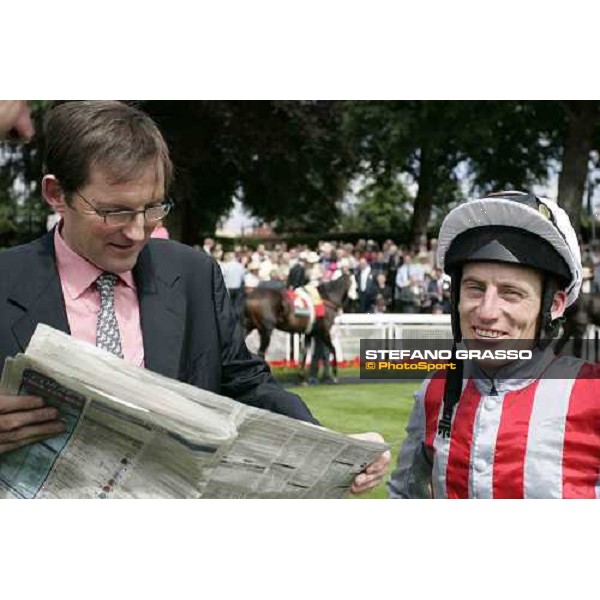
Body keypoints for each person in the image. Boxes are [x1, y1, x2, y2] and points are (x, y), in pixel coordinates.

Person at [0, 101, 389, 494]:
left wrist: (324, 445)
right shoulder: (5, 280)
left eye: (152, 208)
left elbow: (246, 382)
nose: (137, 232)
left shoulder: (193, 274)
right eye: (114, 212)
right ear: (56, 193)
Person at [388, 190, 600, 499]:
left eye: (510, 293)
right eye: (474, 289)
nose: (486, 312)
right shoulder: (435, 388)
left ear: (554, 305)